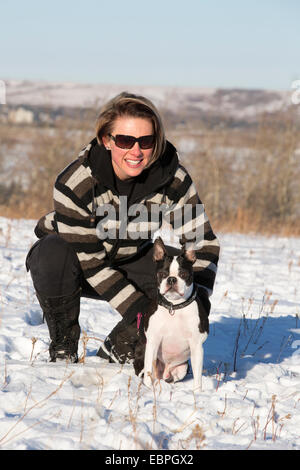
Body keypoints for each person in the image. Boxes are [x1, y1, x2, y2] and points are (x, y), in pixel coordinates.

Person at [25, 92, 220, 364]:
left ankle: (121, 345)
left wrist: (197, 303)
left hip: (133, 257)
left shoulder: (174, 179)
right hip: (77, 264)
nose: (136, 151)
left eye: (146, 141)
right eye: (126, 140)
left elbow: (203, 243)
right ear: (107, 140)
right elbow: (92, 264)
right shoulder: (74, 183)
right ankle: (64, 345)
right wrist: (139, 310)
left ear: (157, 141)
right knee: (51, 253)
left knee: (175, 270)